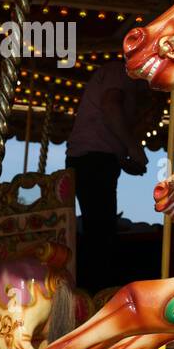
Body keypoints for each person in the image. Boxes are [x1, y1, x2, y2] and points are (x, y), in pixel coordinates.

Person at [66, 61, 152, 293]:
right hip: (92, 159)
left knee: (100, 229)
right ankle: (95, 292)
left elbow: (110, 131)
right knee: (100, 234)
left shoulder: (127, 85)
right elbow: (110, 106)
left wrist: (124, 159)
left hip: (99, 159)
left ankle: (94, 289)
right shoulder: (120, 72)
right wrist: (132, 146)